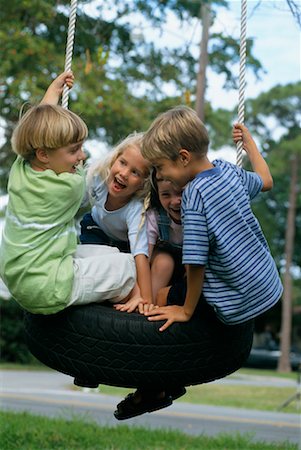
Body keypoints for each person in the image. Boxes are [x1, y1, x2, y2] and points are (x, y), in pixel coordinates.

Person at [0, 72, 145, 315]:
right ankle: (136, 300)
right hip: (46, 285)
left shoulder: (21, 168)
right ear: (44, 154)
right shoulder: (66, 189)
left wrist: (53, 92)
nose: (82, 157)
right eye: (74, 150)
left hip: (19, 271)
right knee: (128, 265)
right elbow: (95, 179)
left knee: (111, 253)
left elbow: (38, 129)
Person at [140, 105, 283, 332]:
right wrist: (250, 145)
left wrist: (185, 311)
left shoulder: (194, 195)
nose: (158, 175)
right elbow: (266, 181)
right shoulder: (228, 171)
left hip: (236, 300)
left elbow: (196, 262)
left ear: (183, 158)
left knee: (162, 295)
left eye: (160, 166)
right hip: (267, 285)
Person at [80, 133, 153, 304]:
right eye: (122, 163)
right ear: (114, 159)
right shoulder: (98, 178)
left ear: (143, 183)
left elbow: (140, 253)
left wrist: (146, 298)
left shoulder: (135, 209)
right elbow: (71, 203)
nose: (124, 173)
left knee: (127, 266)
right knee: (96, 264)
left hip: (123, 244)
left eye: (135, 172)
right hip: (96, 229)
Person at [147, 169, 184, 304]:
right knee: (164, 262)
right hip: (161, 270)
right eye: (166, 195)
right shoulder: (155, 217)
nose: (175, 201)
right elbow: (146, 257)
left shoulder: (198, 216)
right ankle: (149, 304)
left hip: (190, 270)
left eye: (181, 193)